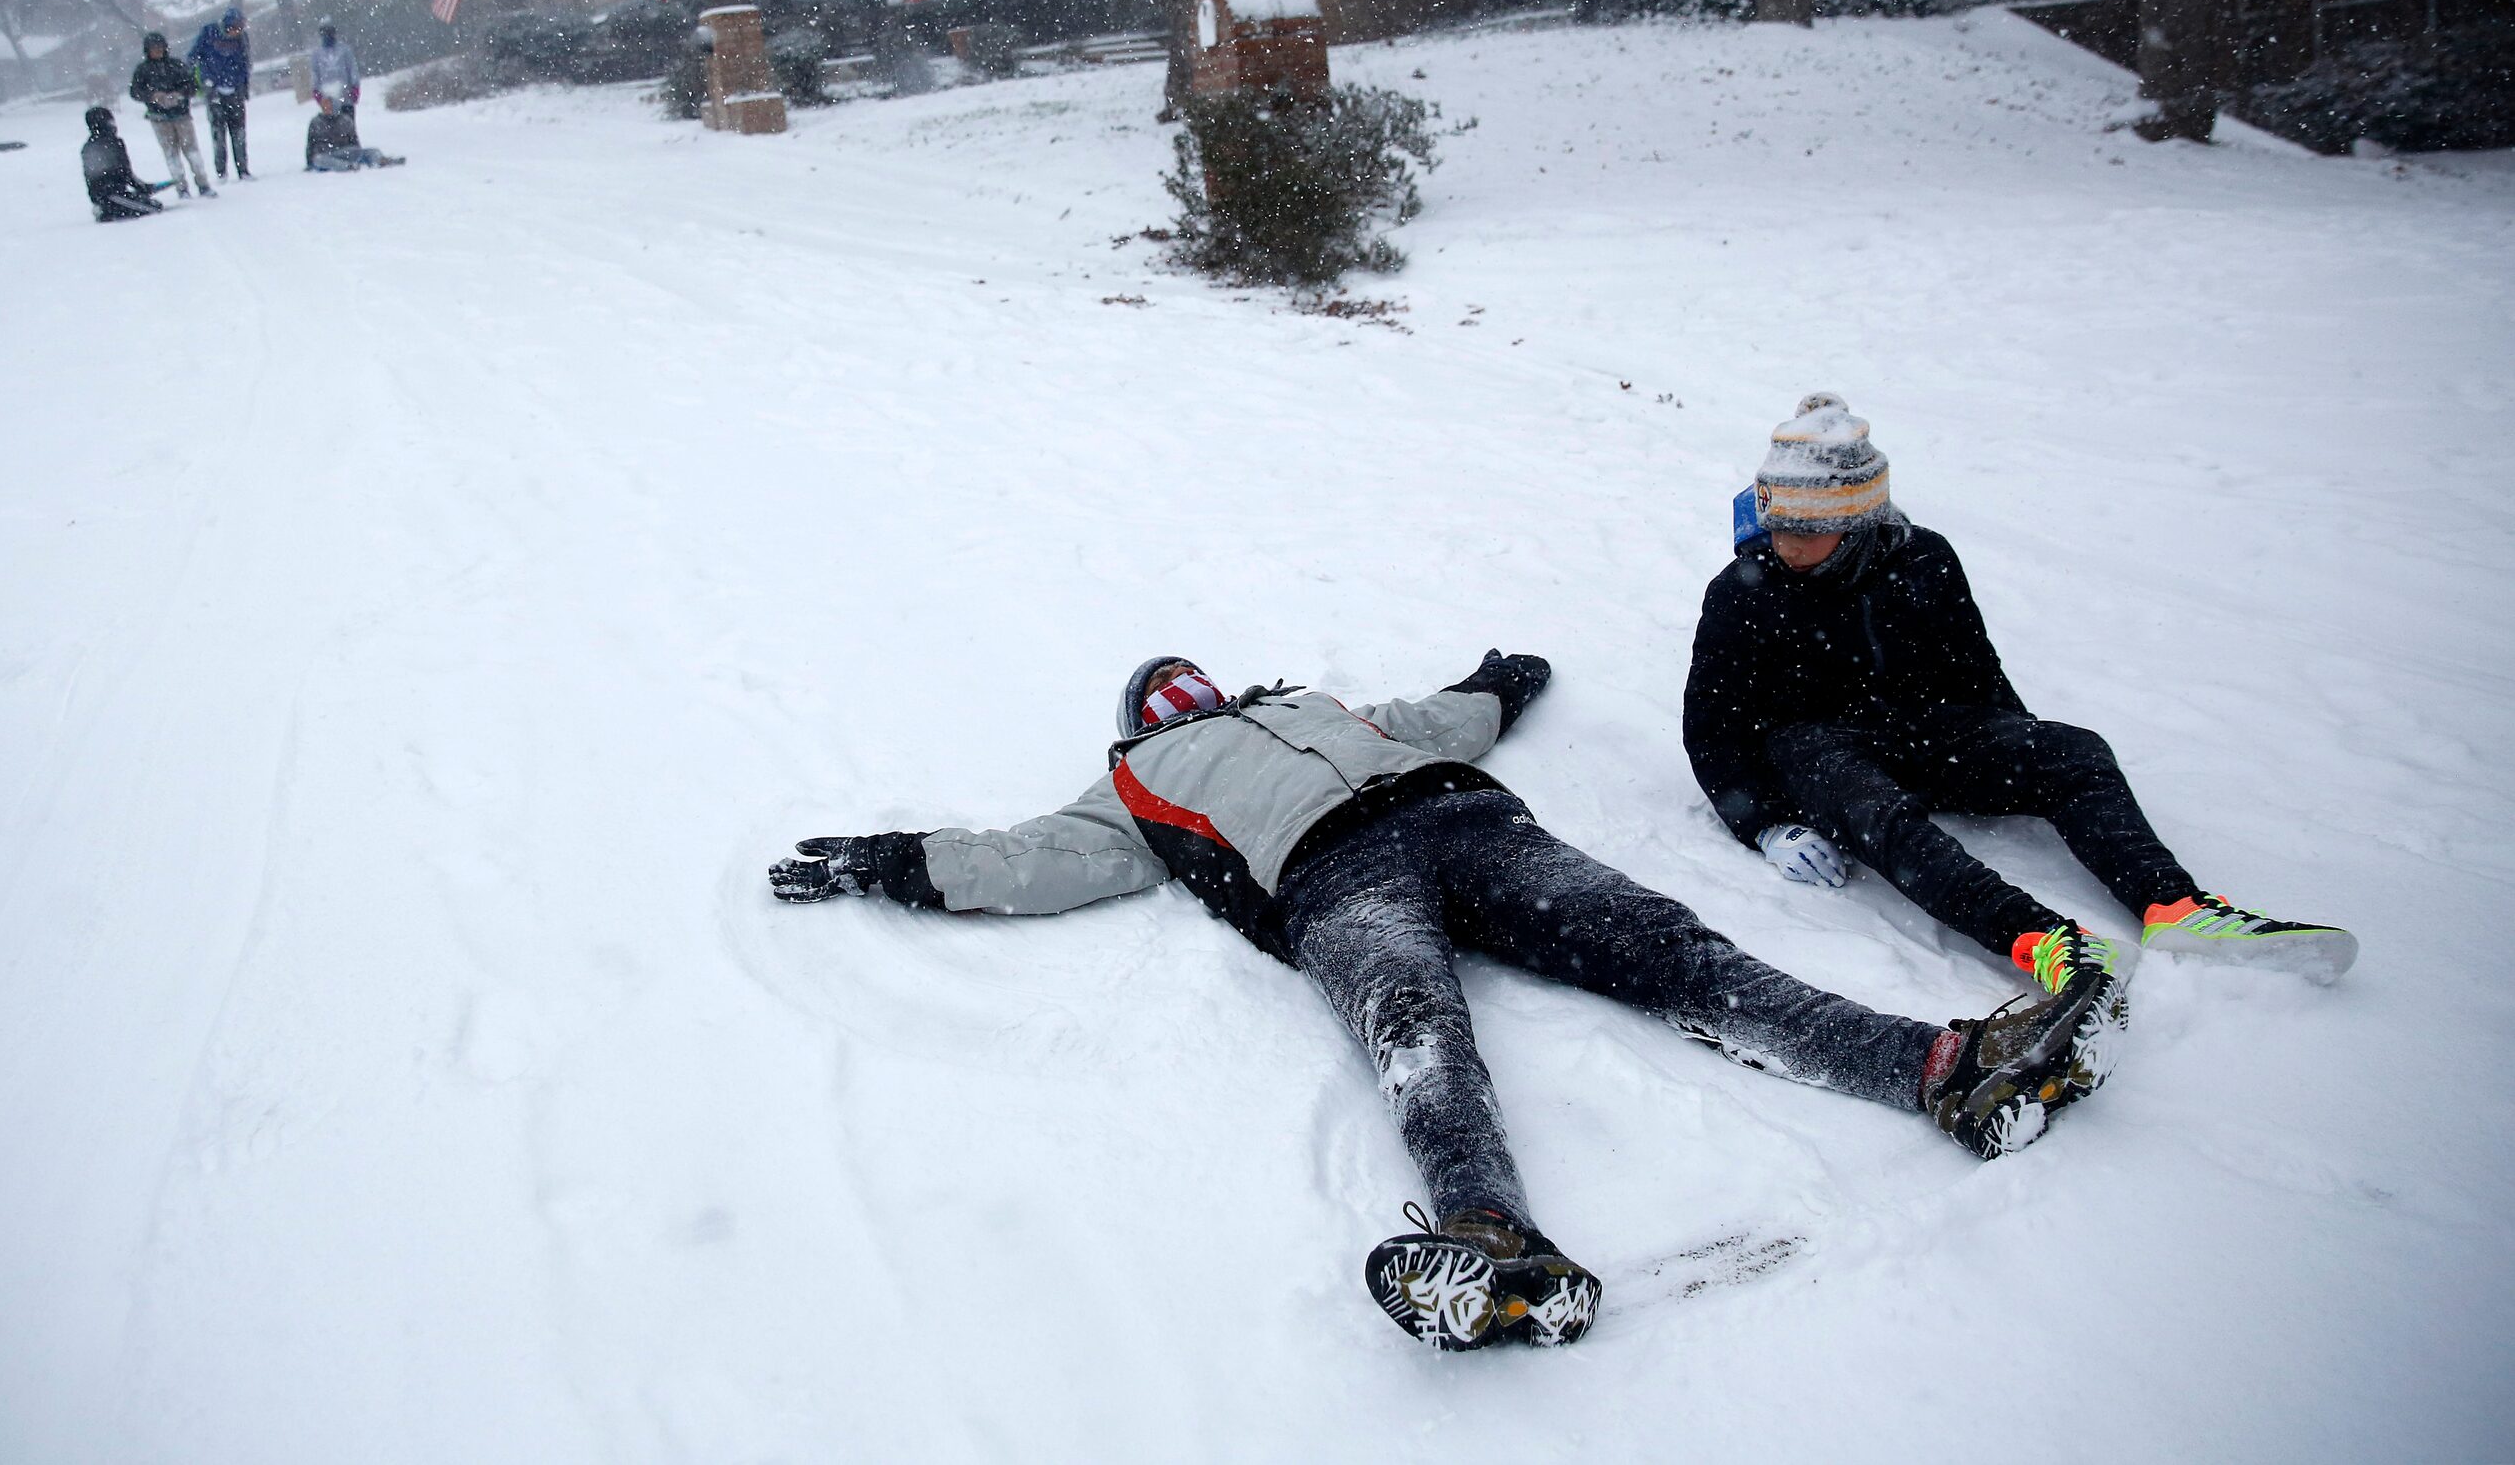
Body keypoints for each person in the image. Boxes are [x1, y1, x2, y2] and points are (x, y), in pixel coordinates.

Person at [770, 649, 2117, 1352]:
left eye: (1188, 675)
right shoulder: (1129, 785)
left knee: (1671, 950)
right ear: (1139, 717)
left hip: (1468, 821)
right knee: (1416, 1037)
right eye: (1156, 690)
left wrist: (1494, 684)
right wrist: (897, 860)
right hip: (1335, 876)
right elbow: (1035, 860)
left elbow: (1433, 716)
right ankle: (1494, 1241)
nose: (1178, 690)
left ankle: (1943, 1064)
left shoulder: (1315, 701)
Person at [1684, 393, 2358, 1021]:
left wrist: (2017, 754)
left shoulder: (1924, 561)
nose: (1787, 544)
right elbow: (1711, 729)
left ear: (1859, 520)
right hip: (1813, 750)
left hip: (1914, 731)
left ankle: (2175, 907)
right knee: (1869, 804)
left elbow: (1977, 676)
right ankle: (2040, 939)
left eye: (1809, 529)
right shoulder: (1744, 591)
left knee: (2077, 750)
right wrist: (1767, 825)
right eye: (1778, 526)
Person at [126, 30, 213, 200]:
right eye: (154, 48)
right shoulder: (142, 70)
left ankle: (203, 184)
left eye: (160, 47)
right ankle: (181, 188)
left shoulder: (177, 65)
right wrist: (153, 96)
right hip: (159, 119)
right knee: (171, 154)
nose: (157, 51)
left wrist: (178, 94)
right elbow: (135, 91)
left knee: (192, 152)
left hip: (182, 116)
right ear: (147, 50)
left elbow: (193, 86)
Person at [188, 7, 252, 180]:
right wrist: (202, 81)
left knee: (239, 133)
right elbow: (192, 57)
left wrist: (244, 86)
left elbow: (245, 62)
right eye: (234, 28)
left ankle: (243, 169)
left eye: (240, 28)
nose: (236, 32)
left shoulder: (242, 39)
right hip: (214, 91)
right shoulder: (208, 33)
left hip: (235, 89)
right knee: (218, 134)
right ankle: (221, 171)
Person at [79, 106, 166, 221]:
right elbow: (124, 172)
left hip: (106, 194)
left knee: (143, 201)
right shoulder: (112, 144)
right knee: (154, 207)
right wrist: (142, 187)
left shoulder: (89, 146)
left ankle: (108, 207)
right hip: (111, 195)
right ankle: (107, 211)